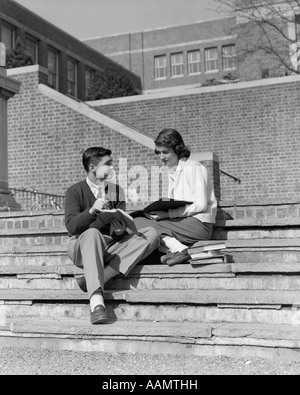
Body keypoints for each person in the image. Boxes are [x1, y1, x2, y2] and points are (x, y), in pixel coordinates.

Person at [65, 147, 160, 325]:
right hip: (81, 246)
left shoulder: (117, 191)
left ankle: (98, 277)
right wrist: (92, 210)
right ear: (92, 167)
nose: (111, 168)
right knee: (92, 233)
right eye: (107, 164)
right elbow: (71, 226)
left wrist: (119, 232)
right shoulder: (74, 191)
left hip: (109, 246)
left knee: (152, 234)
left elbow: (120, 225)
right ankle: (96, 303)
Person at [134, 128, 217, 266]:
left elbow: (200, 204)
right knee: (138, 222)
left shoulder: (193, 167)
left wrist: (167, 214)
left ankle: (179, 250)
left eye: (165, 152)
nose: (161, 157)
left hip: (199, 224)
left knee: (139, 224)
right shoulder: (173, 172)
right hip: (182, 221)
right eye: (159, 153)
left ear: (177, 150)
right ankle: (173, 250)